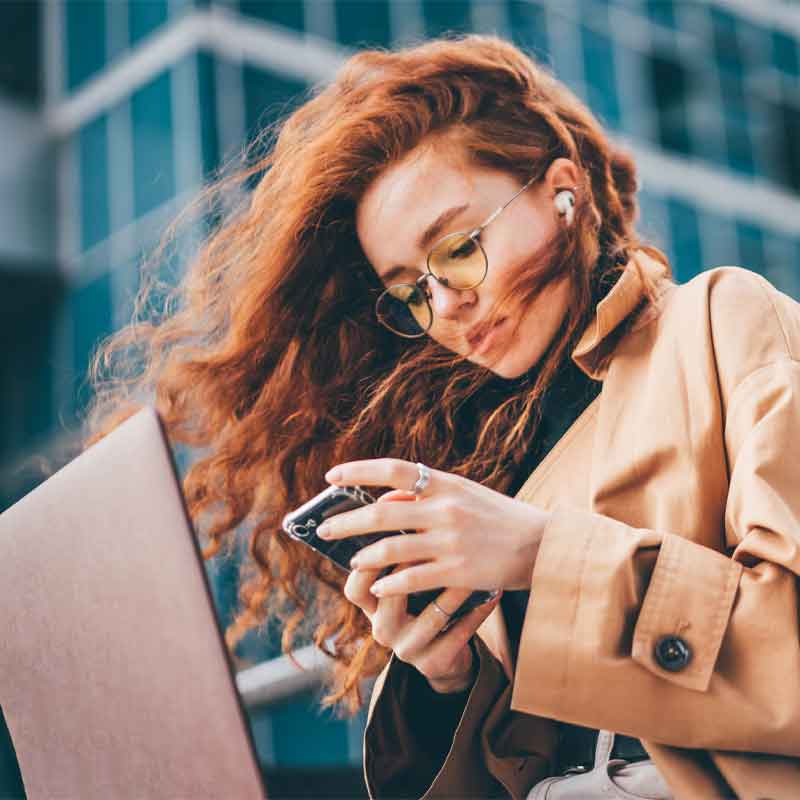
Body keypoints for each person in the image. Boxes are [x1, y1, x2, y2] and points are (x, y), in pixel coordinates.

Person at [85, 35, 800, 799]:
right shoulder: (477, 471)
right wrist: (446, 684)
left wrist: (541, 556)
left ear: (562, 190)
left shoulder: (718, 319)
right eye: (412, 292)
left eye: (458, 248)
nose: (448, 305)